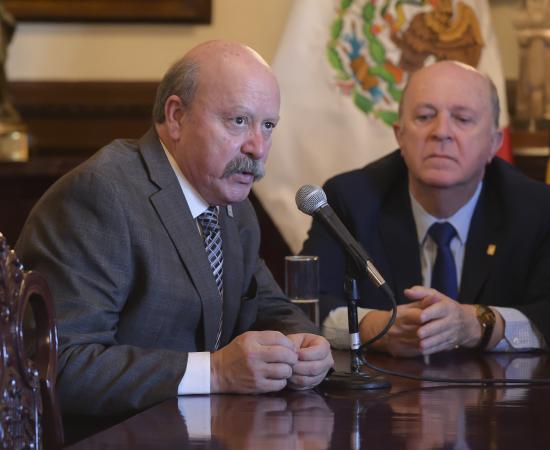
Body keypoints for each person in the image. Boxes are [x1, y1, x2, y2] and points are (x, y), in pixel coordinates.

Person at [16, 40, 333, 416]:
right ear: (177, 117)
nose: (258, 147)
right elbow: (58, 365)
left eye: (267, 126)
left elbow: (268, 304)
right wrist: (215, 372)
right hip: (109, 436)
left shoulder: (234, 206)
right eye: (238, 121)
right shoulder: (101, 194)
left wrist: (305, 343)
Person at [302, 60, 550, 357]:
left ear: (494, 142)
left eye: (462, 119)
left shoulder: (536, 209)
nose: (441, 132)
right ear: (400, 135)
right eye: (424, 116)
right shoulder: (350, 200)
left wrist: (478, 324)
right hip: (385, 384)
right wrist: (376, 328)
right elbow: (306, 303)